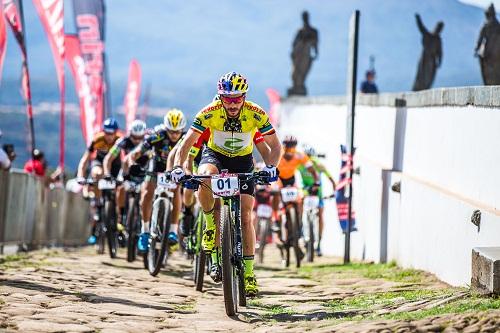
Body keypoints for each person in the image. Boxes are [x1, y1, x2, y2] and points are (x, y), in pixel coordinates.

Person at [171, 71, 282, 297]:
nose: (232, 103)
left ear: (244, 97)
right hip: (216, 156)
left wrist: (271, 167)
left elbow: (275, 146)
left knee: (246, 215)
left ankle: (249, 274)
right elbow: (186, 145)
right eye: (227, 98)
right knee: (203, 176)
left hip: (243, 162)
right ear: (220, 97)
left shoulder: (255, 113)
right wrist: (179, 168)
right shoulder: (209, 112)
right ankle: (211, 225)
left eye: (237, 98)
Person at [127, 109, 186, 253]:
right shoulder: (157, 136)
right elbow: (135, 153)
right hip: (156, 166)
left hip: (173, 168)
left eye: (177, 132)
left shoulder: (185, 139)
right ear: (165, 129)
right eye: (171, 131)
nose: (174, 135)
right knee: (147, 192)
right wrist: (132, 165)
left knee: (176, 190)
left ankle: (172, 230)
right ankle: (145, 231)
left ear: (182, 130)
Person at [77, 117, 122, 245]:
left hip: (114, 164)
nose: (109, 136)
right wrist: (80, 175)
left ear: (116, 132)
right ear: (103, 132)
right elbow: (85, 160)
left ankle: (119, 219)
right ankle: (98, 204)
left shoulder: (120, 140)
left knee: (120, 189)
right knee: (96, 173)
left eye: (111, 134)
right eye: (107, 133)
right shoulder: (97, 139)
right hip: (99, 163)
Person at [103, 119, 148, 228]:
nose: (137, 141)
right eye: (134, 137)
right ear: (130, 134)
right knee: (121, 188)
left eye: (139, 138)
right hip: (127, 170)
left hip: (144, 171)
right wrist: (107, 173)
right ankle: (121, 215)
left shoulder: (148, 141)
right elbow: (108, 158)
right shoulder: (123, 141)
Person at [300, 146, 336, 256]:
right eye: (307, 157)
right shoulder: (300, 164)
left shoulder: (318, 164)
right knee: (299, 206)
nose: (309, 160)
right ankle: (299, 228)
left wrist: (335, 191)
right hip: (305, 191)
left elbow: (331, 179)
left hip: (317, 193)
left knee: (320, 214)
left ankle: (319, 243)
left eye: (310, 157)